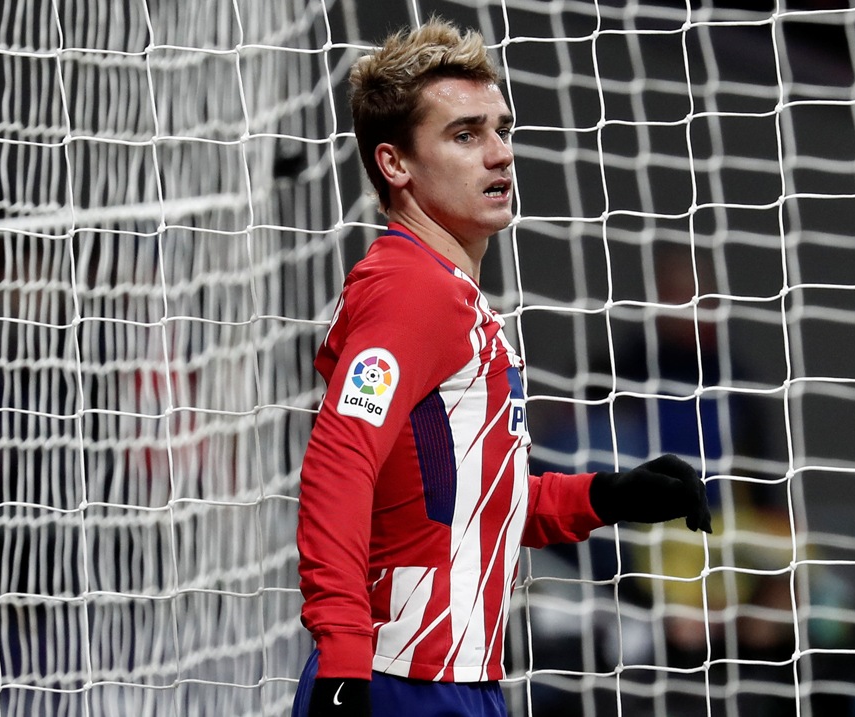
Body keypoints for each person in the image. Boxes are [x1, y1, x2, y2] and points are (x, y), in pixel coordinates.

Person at [292, 18, 713, 717]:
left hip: (453, 680)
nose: (499, 154)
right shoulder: (412, 292)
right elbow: (340, 464)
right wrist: (342, 656)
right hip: (401, 681)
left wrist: (605, 496)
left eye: (500, 128)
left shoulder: (450, 295)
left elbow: (466, 501)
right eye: (465, 135)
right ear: (395, 165)